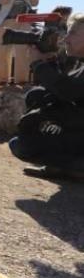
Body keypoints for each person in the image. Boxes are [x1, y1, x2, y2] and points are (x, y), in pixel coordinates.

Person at [8, 12, 84, 177]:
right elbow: (64, 88)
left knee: (21, 146)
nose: (65, 39)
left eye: (72, 32)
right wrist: (47, 62)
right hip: (77, 129)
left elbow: (69, 91)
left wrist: (38, 64)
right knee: (36, 96)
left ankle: (75, 166)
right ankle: (67, 168)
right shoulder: (79, 64)